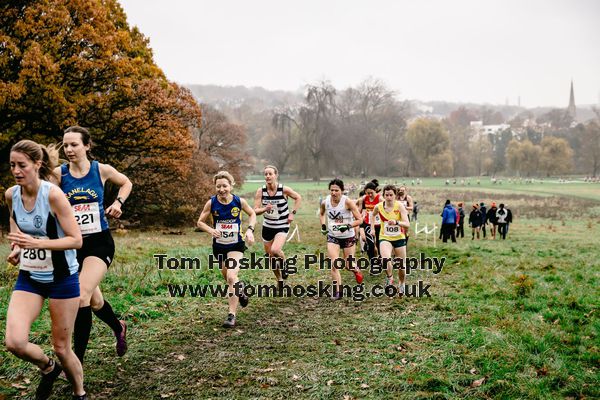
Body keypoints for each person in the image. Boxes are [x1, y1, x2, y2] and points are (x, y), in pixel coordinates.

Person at [5, 140, 87, 400]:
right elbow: (16, 223)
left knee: (62, 348)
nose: (16, 171)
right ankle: (48, 368)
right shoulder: (11, 194)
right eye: (12, 165)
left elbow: (76, 240)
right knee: (14, 342)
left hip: (63, 278)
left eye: (22, 165)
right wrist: (18, 246)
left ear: (37, 164)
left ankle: (79, 393)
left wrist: (38, 243)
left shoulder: (52, 195)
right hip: (30, 277)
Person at [52, 126, 131, 365]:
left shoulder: (101, 170)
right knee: (94, 302)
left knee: (81, 296)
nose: (69, 149)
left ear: (87, 146)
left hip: (99, 242)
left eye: (74, 144)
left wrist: (118, 202)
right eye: (65, 145)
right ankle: (119, 327)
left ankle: (76, 362)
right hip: (71, 246)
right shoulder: (58, 175)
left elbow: (126, 182)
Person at [197, 171, 256, 327]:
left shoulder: (239, 201)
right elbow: (200, 222)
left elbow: (252, 214)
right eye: (218, 186)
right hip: (219, 246)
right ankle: (240, 289)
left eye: (224, 186)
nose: (221, 189)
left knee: (231, 276)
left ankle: (231, 315)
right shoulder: (211, 203)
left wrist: (250, 230)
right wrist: (211, 230)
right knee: (230, 280)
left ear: (231, 185)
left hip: (236, 244)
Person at [253, 165, 301, 281]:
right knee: (271, 257)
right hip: (268, 226)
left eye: (270, 174)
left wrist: (292, 213)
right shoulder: (261, 191)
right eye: (266, 174)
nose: (268, 176)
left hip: (282, 225)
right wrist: (264, 209)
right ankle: (279, 279)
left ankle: (284, 265)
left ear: (276, 175)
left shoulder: (283, 189)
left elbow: (298, 198)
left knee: (275, 250)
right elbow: (255, 210)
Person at [319, 179, 364, 300]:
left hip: (348, 236)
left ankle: (356, 270)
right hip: (333, 236)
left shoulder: (348, 202)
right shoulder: (325, 202)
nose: (333, 193)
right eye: (332, 190)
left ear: (342, 191)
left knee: (348, 265)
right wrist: (323, 225)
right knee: (334, 264)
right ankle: (338, 292)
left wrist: (347, 226)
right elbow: (322, 213)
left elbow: (360, 220)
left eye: (336, 190)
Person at [371, 185, 409, 295]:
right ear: (383, 195)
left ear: (395, 195)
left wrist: (397, 222)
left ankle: (401, 284)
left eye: (391, 195)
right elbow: (372, 216)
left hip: (399, 237)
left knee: (402, 266)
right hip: (385, 237)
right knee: (385, 259)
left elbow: (407, 224)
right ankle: (390, 278)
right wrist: (372, 228)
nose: (388, 197)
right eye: (386, 195)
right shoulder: (378, 206)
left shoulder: (400, 206)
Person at [356, 180, 381, 266]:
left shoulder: (380, 198)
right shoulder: (364, 198)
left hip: (379, 224)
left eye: (371, 193)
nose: (370, 195)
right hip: (368, 223)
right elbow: (355, 204)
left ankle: (380, 261)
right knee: (370, 245)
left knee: (379, 245)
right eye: (368, 193)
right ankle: (373, 264)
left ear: (375, 190)